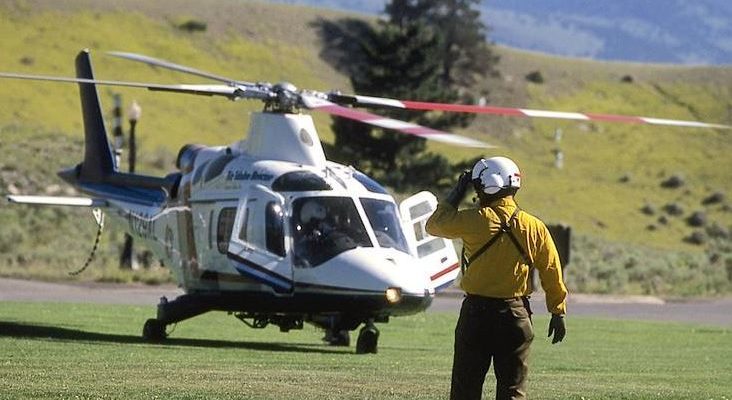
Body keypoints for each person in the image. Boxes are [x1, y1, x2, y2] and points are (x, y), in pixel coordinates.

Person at [425, 156, 568, 400]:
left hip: (476, 315)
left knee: (465, 391)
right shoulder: (535, 227)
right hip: (515, 316)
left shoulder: (474, 220)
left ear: (485, 186)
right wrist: (558, 311)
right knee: (513, 392)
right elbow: (551, 270)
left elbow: (434, 225)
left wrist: (458, 191)